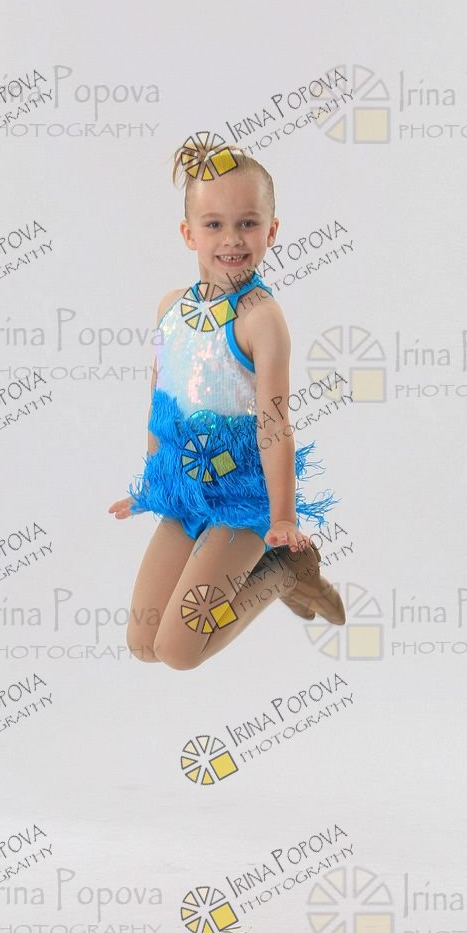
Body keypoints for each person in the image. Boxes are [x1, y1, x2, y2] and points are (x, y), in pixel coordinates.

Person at [108, 138, 346, 669]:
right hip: (187, 489)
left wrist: (282, 518)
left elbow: (275, 426)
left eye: (248, 223)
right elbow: (161, 403)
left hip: (242, 498)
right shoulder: (170, 308)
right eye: (214, 224)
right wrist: (151, 485)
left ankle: (282, 570)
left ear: (272, 231)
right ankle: (271, 565)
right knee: (143, 643)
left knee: (178, 651)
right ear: (188, 233)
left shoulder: (261, 320)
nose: (232, 239)